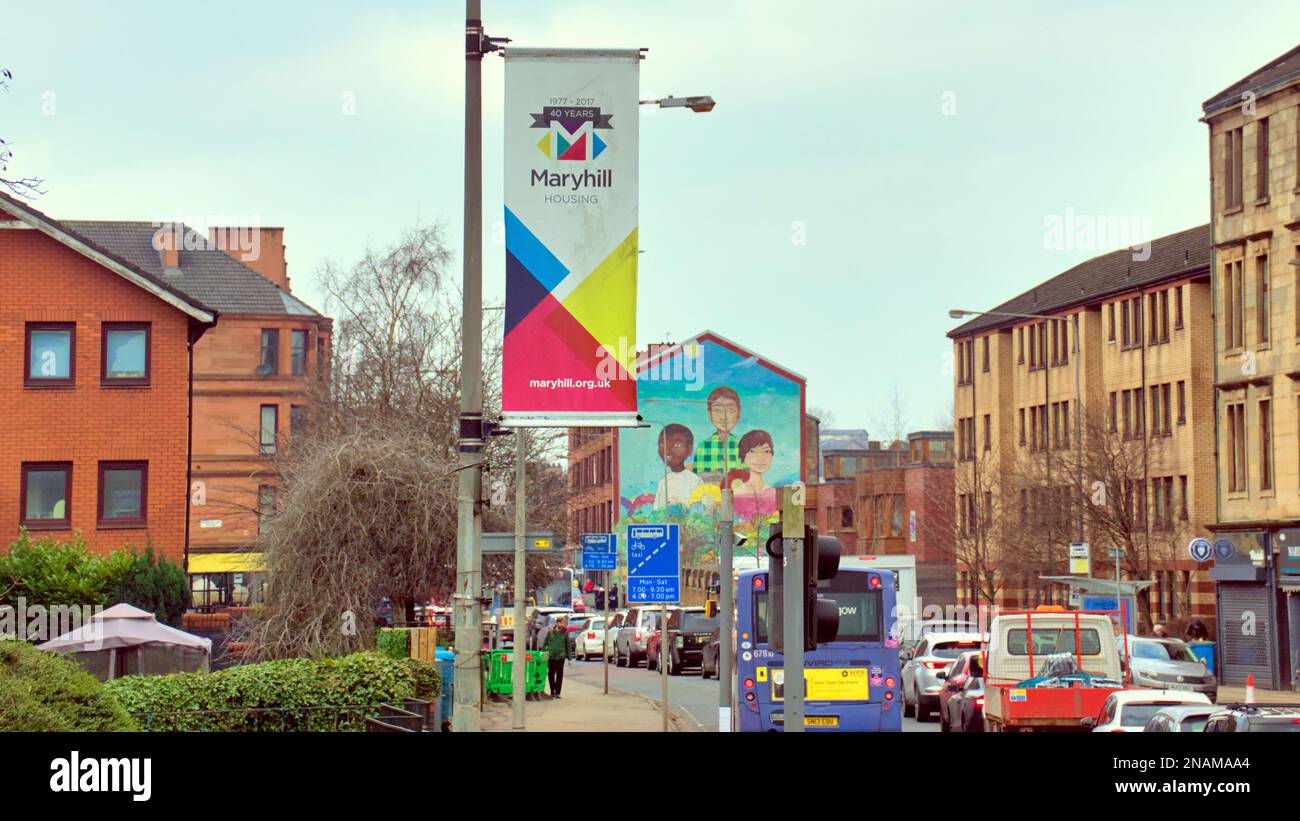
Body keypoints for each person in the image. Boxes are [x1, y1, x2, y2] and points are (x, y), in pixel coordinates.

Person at [693, 387, 741, 484]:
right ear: (709, 414)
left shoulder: (743, 444)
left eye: (730, 410)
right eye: (717, 410)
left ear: (738, 413)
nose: (724, 416)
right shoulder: (703, 446)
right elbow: (697, 479)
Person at [729, 429, 778, 520]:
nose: (760, 458)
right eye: (752, 452)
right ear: (743, 456)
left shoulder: (775, 494)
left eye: (766, 451)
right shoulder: (736, 494)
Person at [654, 423, 703, 510]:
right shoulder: (663, 482)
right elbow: (657, 511)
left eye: (677, 445)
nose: (667, 450)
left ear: (689, 449)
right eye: (662, 444)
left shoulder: (695, 481)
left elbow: (699, 510)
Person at [541, 616, 574, 698]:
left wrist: (569, 658)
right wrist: (543, 653)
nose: (563, 625)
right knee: (551, 674)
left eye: (564, 623)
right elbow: (545, 643)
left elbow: (568, 646)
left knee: (559, 674)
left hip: (561, 656)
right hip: (551, 656)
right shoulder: (551, 632)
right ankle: (552, 691)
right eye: (562, 623)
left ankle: (558, 692)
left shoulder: (565, 633)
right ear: (557, 623)